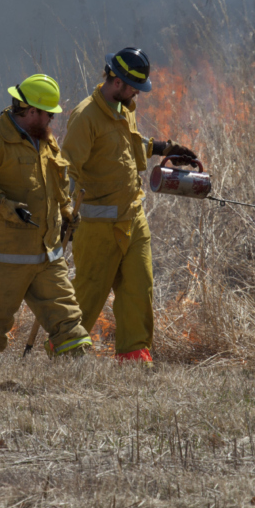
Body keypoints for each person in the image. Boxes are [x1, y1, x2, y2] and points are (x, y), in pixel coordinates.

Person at [62, 48, 197, 365]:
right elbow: (66, 169)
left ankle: (134, 353)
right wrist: (62, 212)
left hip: (133, 218)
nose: (138, 93)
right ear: (117, 81)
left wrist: (163, 148)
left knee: (139, 287)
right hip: (98, 226)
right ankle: (65, 346)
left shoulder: (125, 108)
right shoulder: (85, 117)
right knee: (90, 291)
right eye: (134, 86)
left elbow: (129, 145)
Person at [0, 74, 92, 359]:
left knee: (67, 316)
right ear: (32, 112)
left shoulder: (44, 140)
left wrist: (66, 211)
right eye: (48, 115)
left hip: (46, 253)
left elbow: (56, 182)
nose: (51, 121)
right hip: (2, 255)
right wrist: (4, 205)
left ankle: (76, 366)